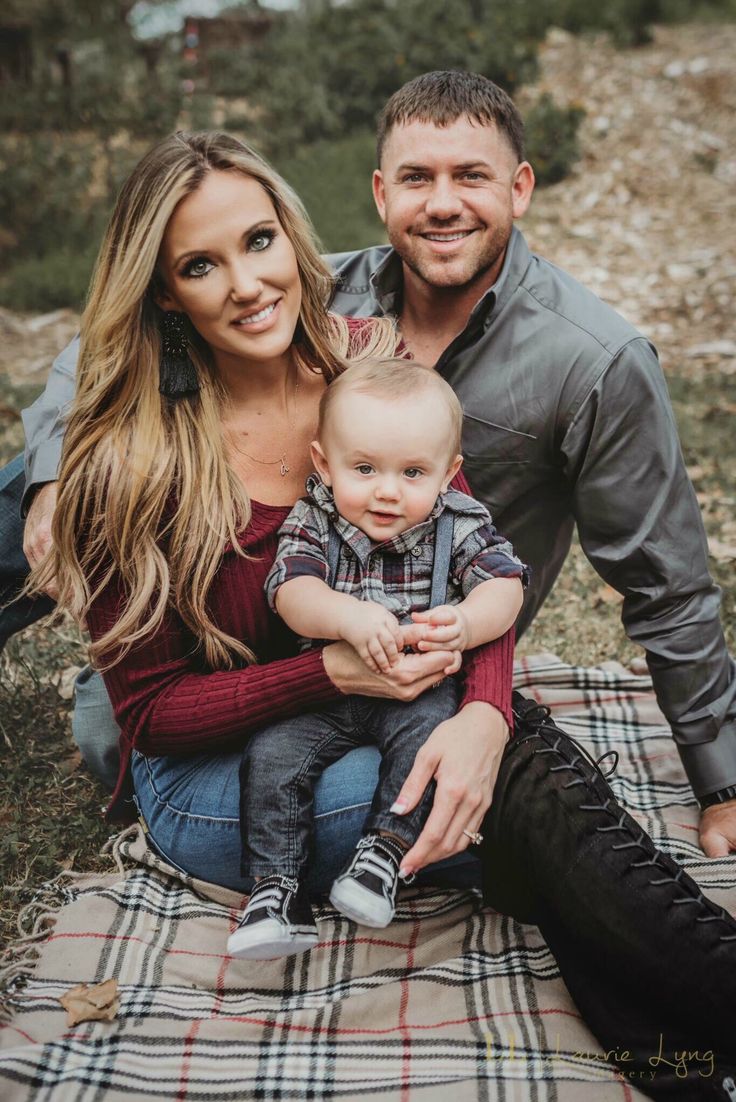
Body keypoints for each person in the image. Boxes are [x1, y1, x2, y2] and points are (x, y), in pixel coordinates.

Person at [15, 127, 736, 1098]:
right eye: (200, 264)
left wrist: (482, 711)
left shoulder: (365, 366)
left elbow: (464, 543)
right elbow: (149, 720)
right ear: (162, 292)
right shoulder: (129, 461)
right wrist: (327, 672)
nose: (246, 283)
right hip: (218, 776)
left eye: (259, 240)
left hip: (376, 707)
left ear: (292, 235)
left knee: (501, 779)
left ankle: (678, 1062)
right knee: (512, 797)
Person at [228, 358, 526, 958]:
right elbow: (291, 592)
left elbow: (507, 585)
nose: (388, 491)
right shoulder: (315, 518)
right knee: (272, 756)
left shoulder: (458, 522)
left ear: (449, 474)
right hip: (331, 692)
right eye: (364, 468)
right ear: (323, 463)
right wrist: (345, 616)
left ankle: (382, 858)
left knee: (425, 746)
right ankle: (275, 891)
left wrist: (467, 622)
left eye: (413, 471)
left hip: (421, 691)